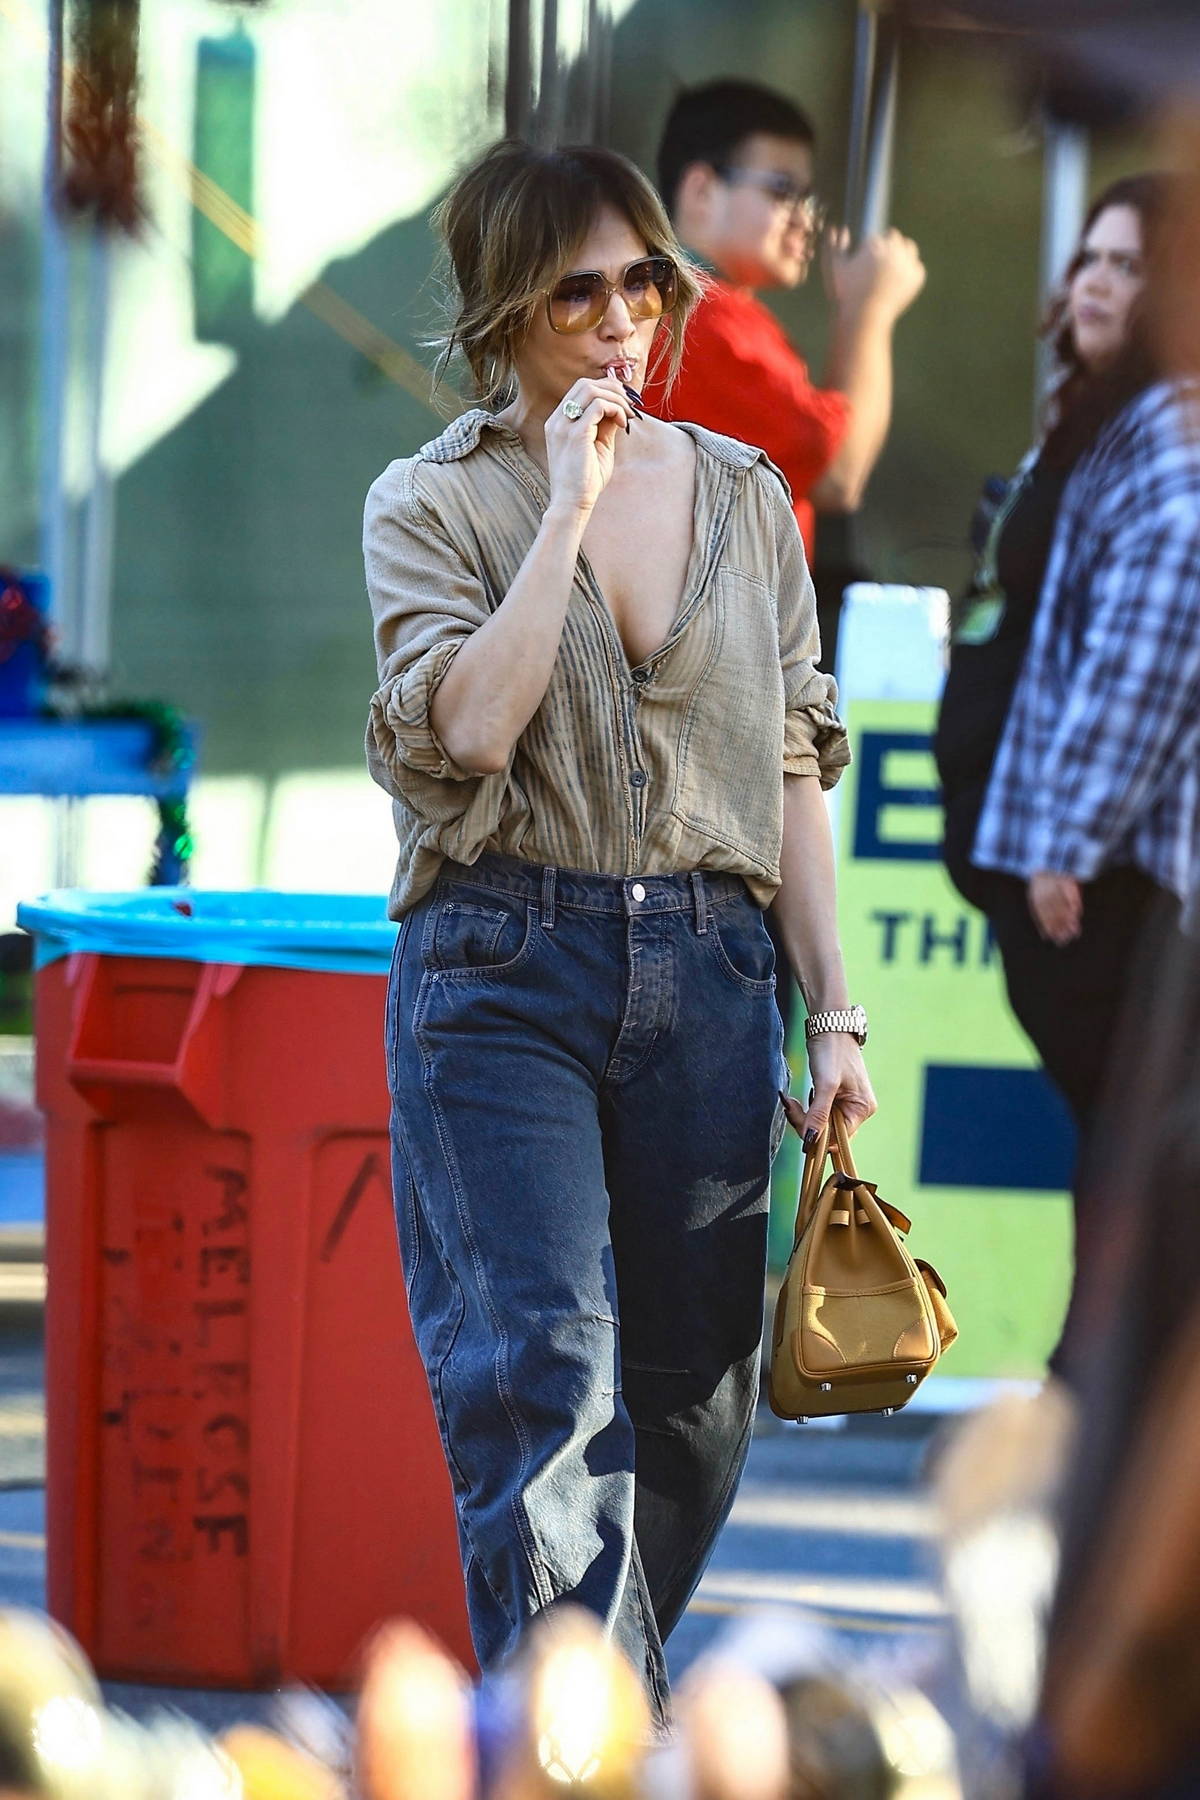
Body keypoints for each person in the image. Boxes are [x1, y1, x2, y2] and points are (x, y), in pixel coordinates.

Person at [362, 138, 875, 1722]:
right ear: (504, 314)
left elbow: (789, 760)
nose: (616, 321)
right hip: (502, 967)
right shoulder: (432, 499)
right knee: (546, 1389)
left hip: (713, 981)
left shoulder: (743, 496)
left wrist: (834, 1015)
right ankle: (595, 1751)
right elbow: (472, 726)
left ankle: (586, 1720)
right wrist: (565, 510)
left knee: (702, 1407)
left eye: (641, 283)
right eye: (575, 291)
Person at [935, 173, 1200, 1377]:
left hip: (1111, 880)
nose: (1097, 279)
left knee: (1135, 1156)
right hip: (1064, 868)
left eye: (1132, 264)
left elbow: (1152, 638)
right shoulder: (1101, 416)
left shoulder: (1173, 431)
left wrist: (1067, 836)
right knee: (1121, 1150)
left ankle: (1098, 1397)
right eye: (1091, 256)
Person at [645, 79, 926, 572]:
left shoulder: (710, 310)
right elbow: (838, 476)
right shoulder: (700, 321)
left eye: (808, 198)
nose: (806, 219)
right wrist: (870, 312)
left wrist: (858, 312)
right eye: (782, 191)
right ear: (703, 190)